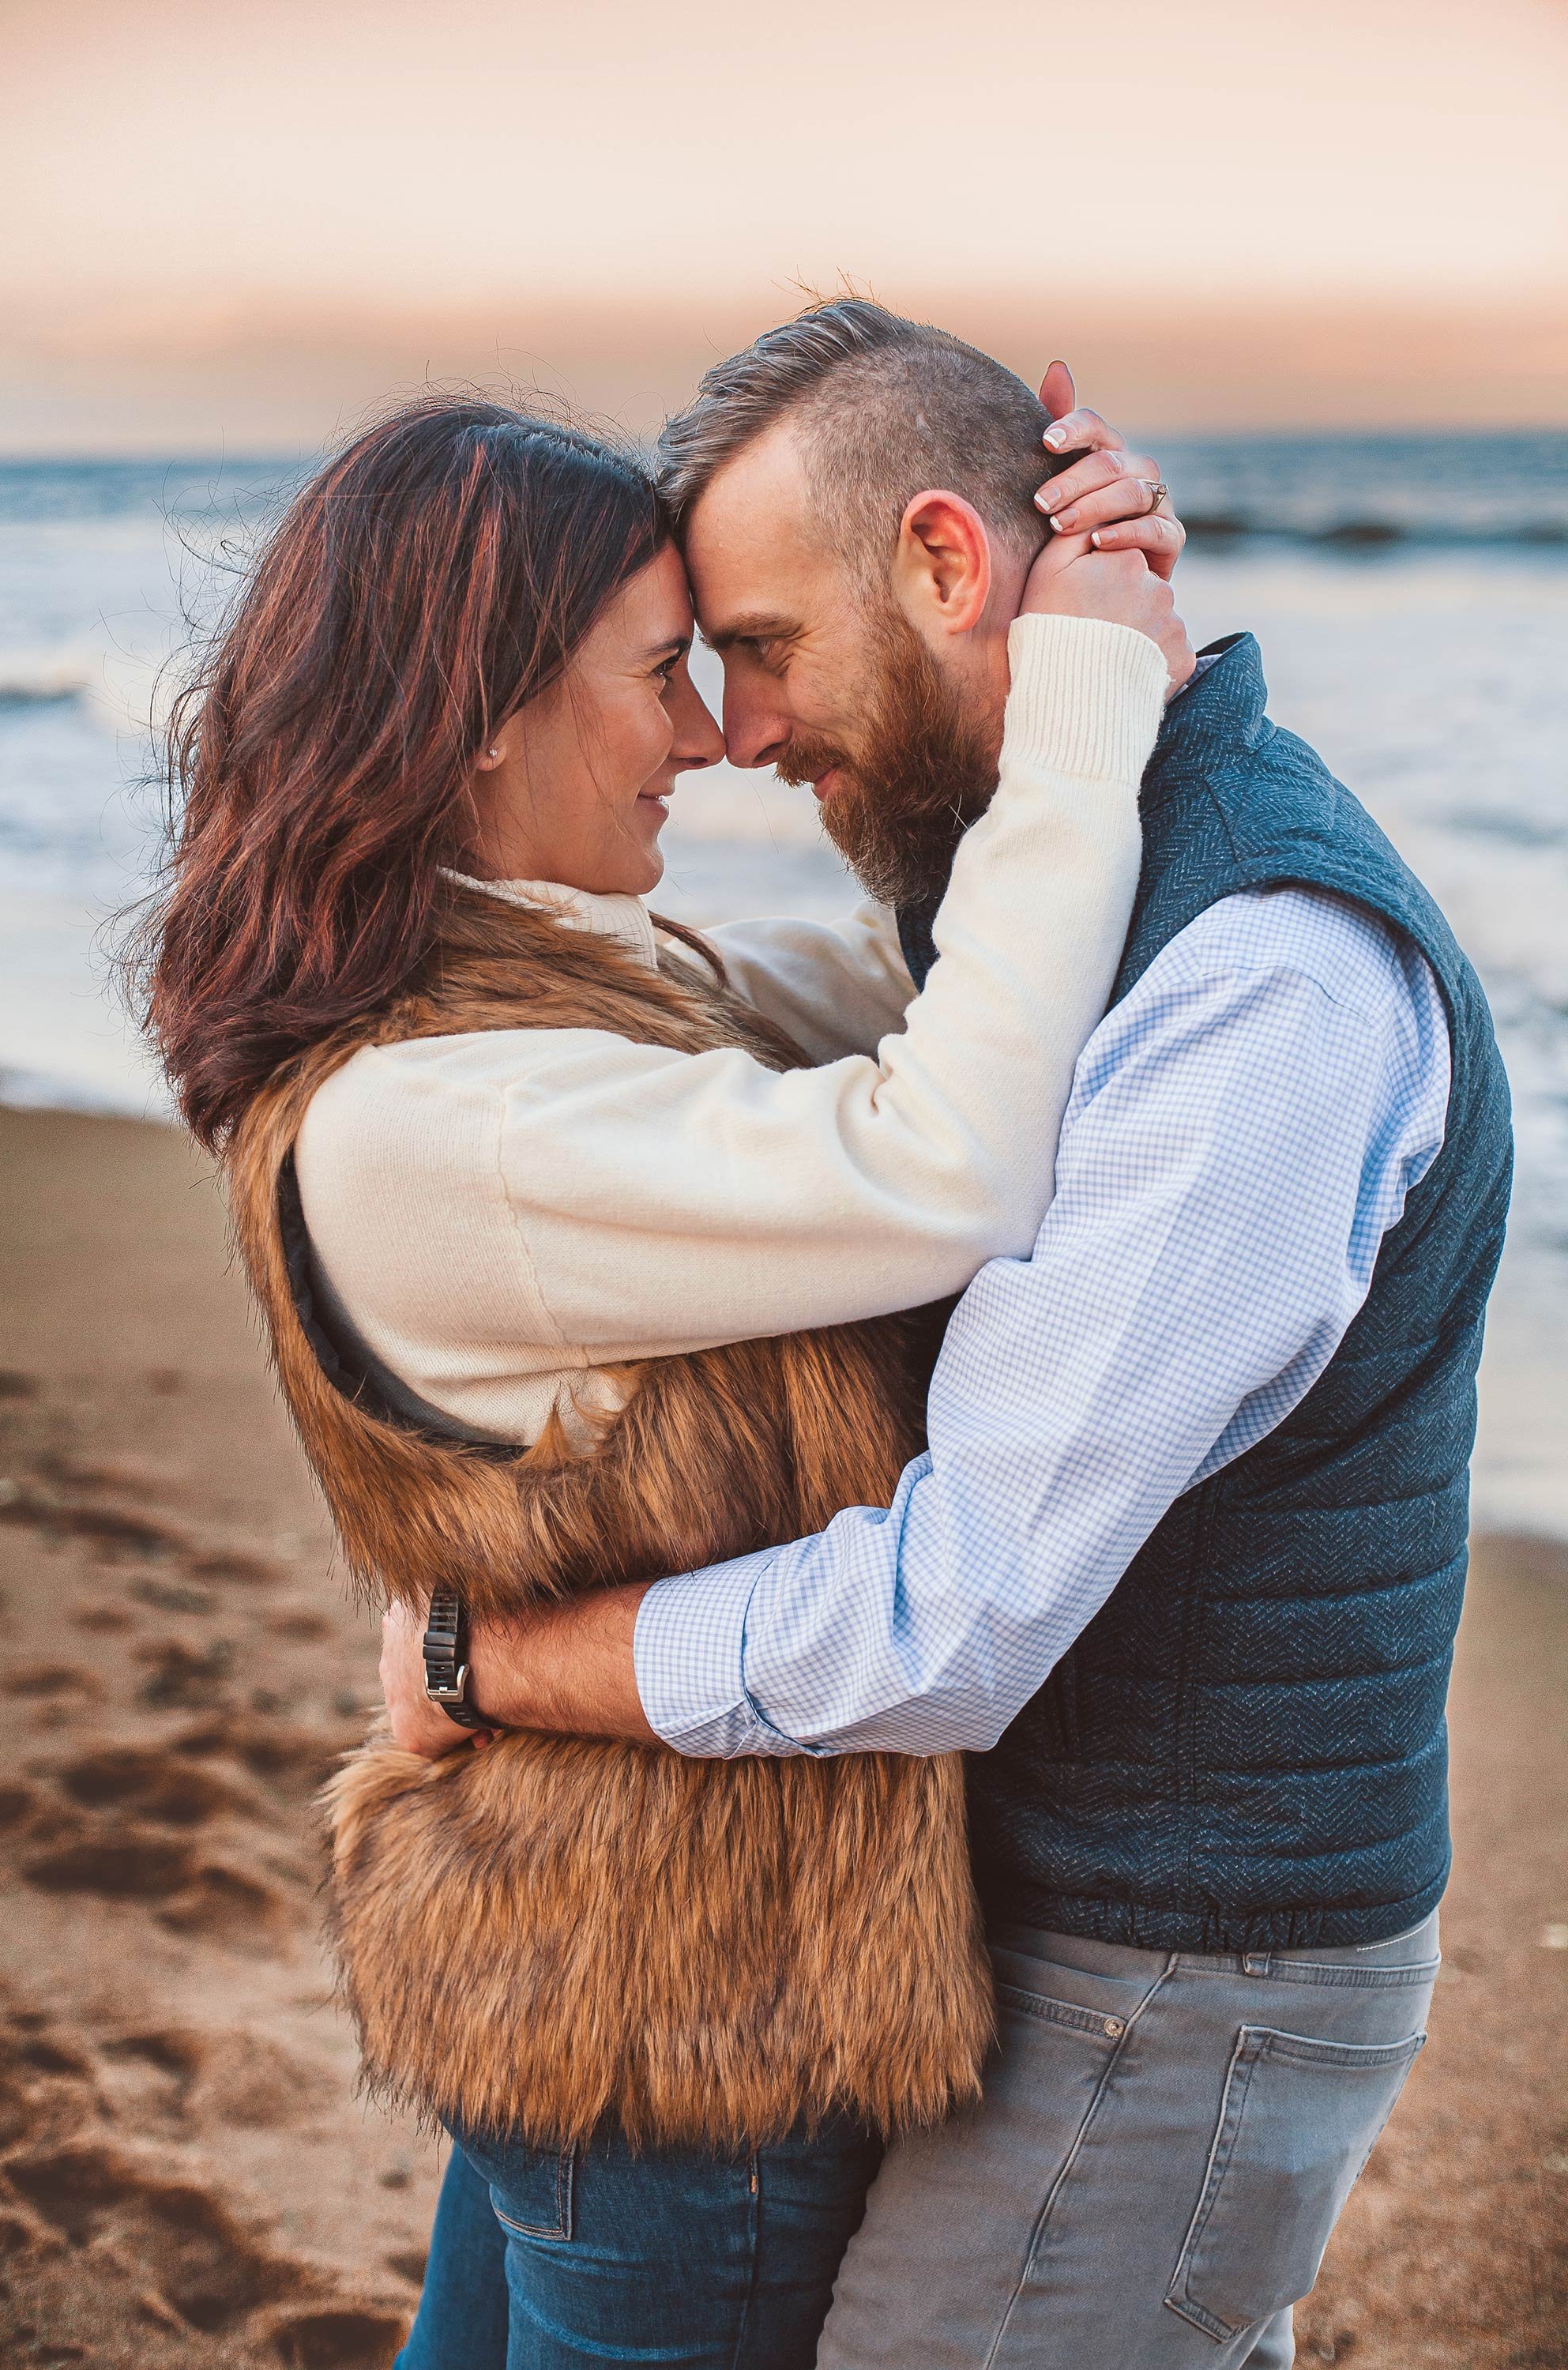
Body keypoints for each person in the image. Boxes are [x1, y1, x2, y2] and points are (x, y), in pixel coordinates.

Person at [393, 301, 1513, 2368]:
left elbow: (955, 1617)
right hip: (1060, 1925)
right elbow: (795, 1062)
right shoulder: (1051, 885)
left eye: (763, 646)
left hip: (1181, 1983)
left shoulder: (1264, 984)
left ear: (942, 561)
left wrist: (498, 1659)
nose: (736, 728)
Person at [136, 370, 1191, 2369]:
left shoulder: (560, 996)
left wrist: (1043, 618)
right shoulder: (436, 1116)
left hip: (588, 1992)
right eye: (660, 677)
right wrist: (1073, 702)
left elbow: (959, 996)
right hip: (686, 2038)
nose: (710, 738)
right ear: (476, 723)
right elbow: (942, 1158)